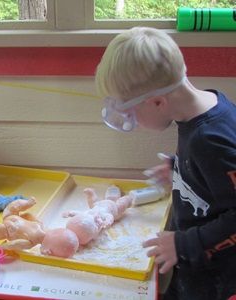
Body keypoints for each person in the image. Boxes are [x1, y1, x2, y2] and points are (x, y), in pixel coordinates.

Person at [95, 27, 236, 300]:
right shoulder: (209, 106)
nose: (132, 122)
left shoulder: (208, 141)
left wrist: (183, 243)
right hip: (193, 260)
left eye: (130, 112)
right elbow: (220, 178)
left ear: (158, 102)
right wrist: (180, 168)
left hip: (217, 276)